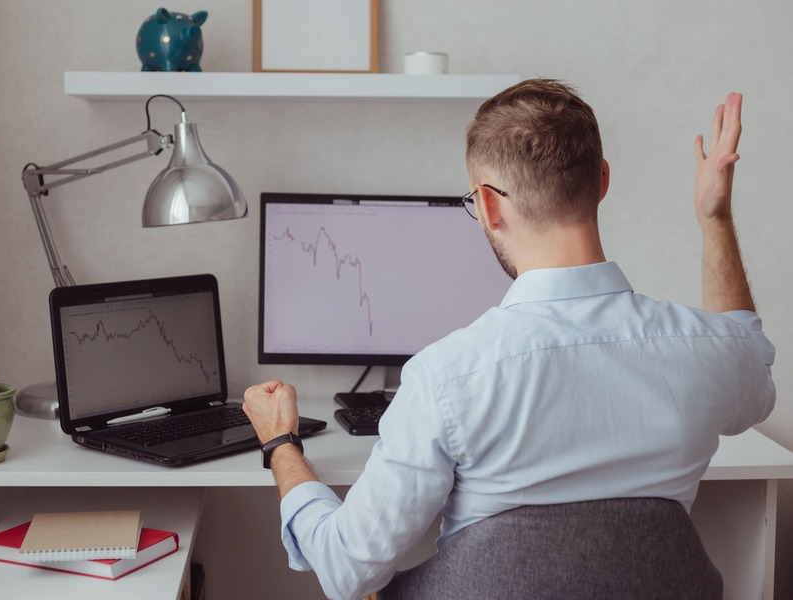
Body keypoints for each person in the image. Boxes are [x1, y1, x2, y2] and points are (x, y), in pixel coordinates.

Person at [242, 79, 776, 600]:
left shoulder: (446, 377)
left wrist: (280, 445)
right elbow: (748, 357)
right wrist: (716, 218)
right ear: (603, 181)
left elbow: (345, 570)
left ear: (489, 206)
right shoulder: (703, 351)